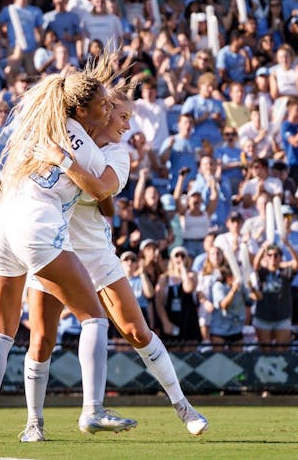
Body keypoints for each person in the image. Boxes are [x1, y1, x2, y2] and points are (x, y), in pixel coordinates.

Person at [23, 96, 207, 439]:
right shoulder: (64, 131)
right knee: (42, 338)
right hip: (54, 247)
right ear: (99, 111)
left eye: (129, 116)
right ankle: (34, 423)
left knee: (137, 332)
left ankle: (184, 406)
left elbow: (100, 189)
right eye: (121, 115)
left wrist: (63, 161)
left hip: (95, 252)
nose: (126, 124)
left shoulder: (117, 154)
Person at [0, 59, 119, 443]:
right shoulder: (91, 153)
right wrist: (72, 165)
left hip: (2, 225)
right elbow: (104, 195)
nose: (109, 109)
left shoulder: (34, 126)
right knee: (94, 318)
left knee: (0, 334)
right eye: (103, 104)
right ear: (80, 110)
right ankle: (94, 409)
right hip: (37, 227)